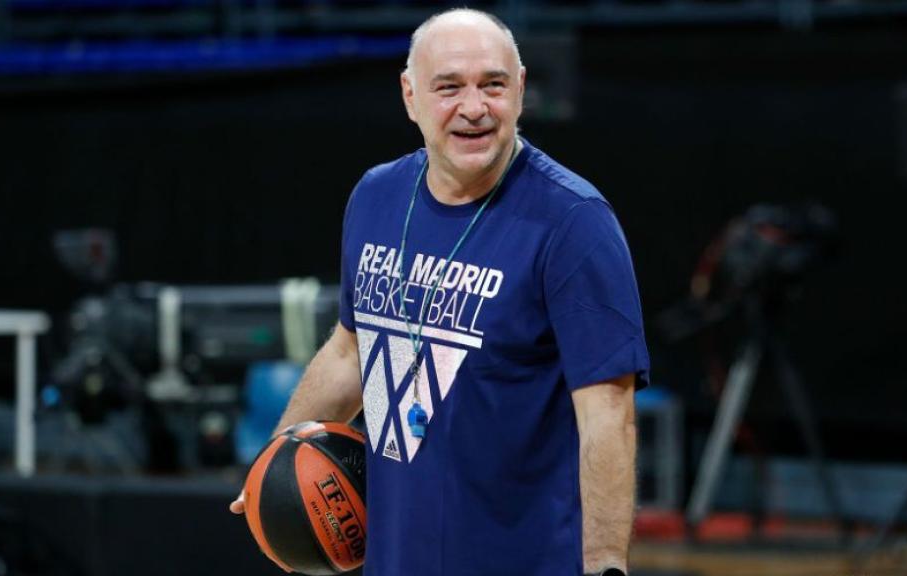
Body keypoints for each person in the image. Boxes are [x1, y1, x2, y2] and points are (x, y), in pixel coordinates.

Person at [232, 8, 649, 576]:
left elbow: (607, 412)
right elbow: (350, 352)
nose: (474, 108)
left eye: (493, 86)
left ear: (521, 89)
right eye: (449, 87)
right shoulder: (376, 196)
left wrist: (606, 565)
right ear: (410, 95)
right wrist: (273, 465)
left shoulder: (574, 222)